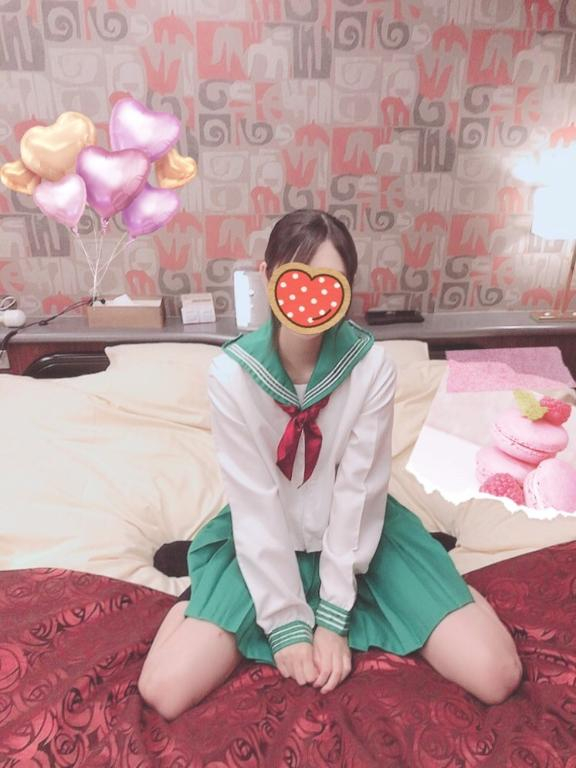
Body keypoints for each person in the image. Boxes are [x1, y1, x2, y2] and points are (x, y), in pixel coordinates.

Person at [138, 209, 522, 721]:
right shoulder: (231, 376)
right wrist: (286, 625)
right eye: (297, 278)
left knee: (497, 676)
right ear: (267, 275)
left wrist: (333, 618)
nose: (312, 297)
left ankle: (449, 584)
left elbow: (358, 490)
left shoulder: (370, 367)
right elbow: (255, 503)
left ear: (347, 290)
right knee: (163, 690)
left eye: (331, 282)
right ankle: (190, 600)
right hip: (267, 539)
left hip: (361, 535)